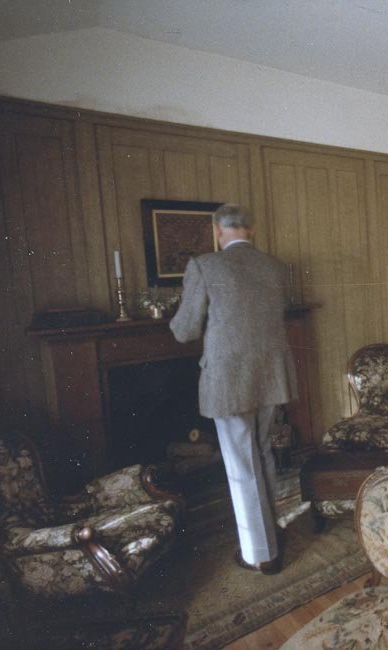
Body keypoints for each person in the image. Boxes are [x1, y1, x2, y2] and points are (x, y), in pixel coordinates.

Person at [170, 203, 296, 575]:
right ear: (251, 230)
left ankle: (260, 553)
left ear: (217, 230)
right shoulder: (275, 266)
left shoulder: (204, 266)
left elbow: (185, 330)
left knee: (241, 464)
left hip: (229, 380)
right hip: (270, 374)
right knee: (263, 452)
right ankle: (271, 531)